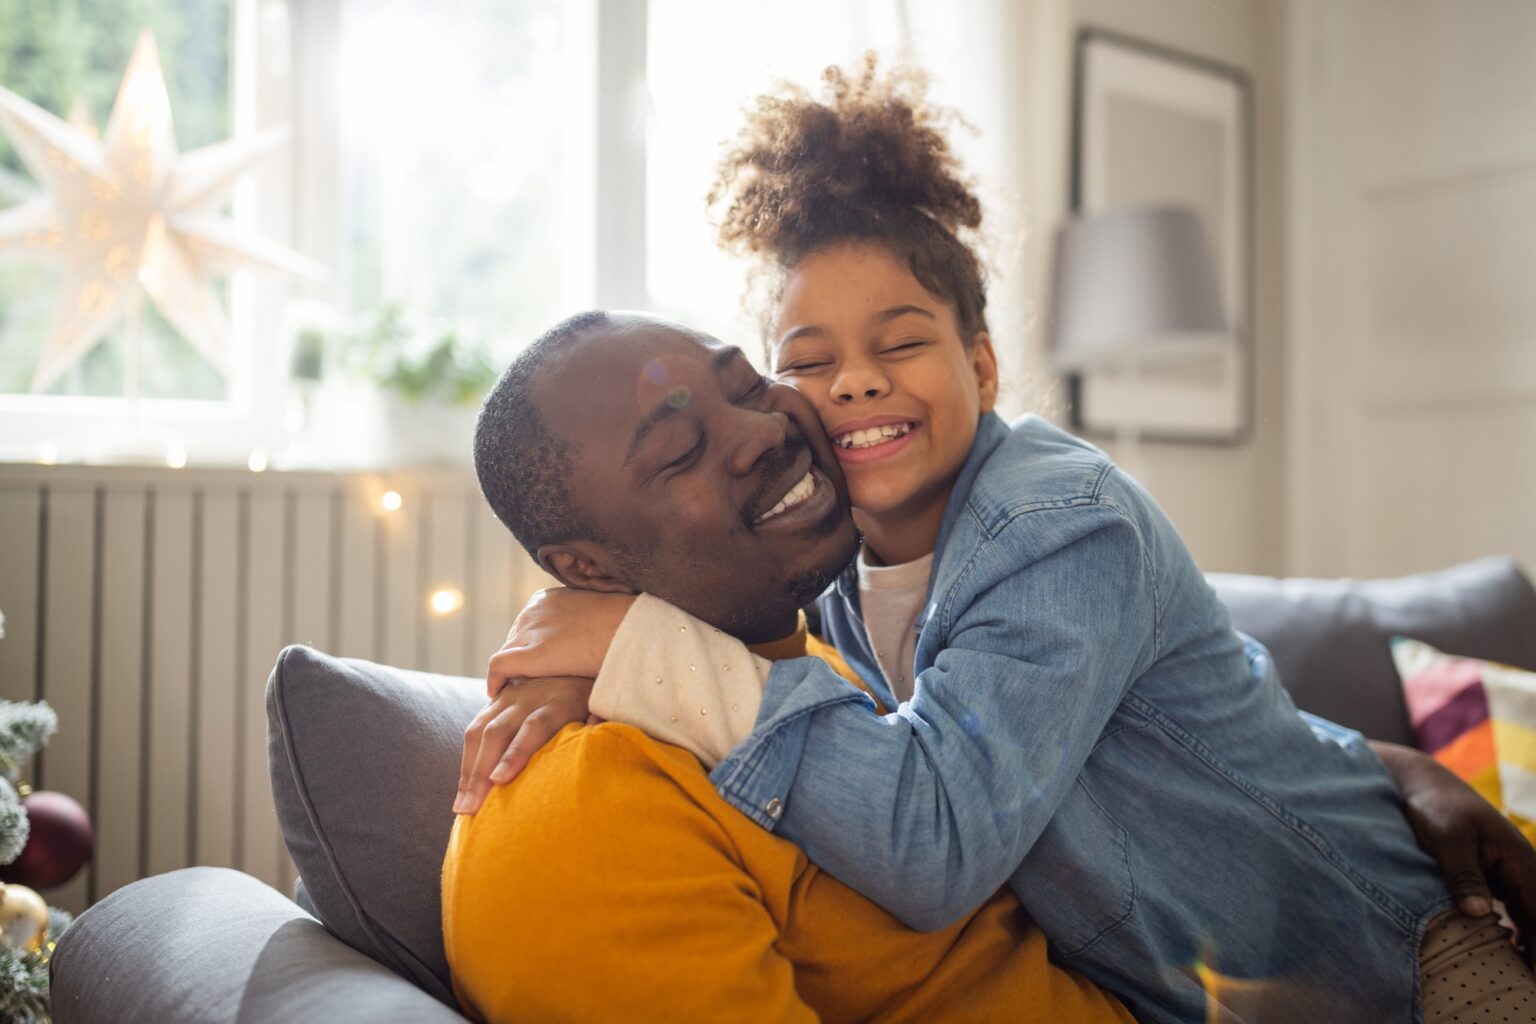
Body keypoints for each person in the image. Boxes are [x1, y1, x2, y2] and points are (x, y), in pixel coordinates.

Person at [462, 61, 1536, 1023]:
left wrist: (642, 650)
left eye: (902, 342)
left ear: (982, 369)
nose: (855, 381)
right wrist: (589, 677)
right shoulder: (830, 581)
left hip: (1405, 963)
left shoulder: (1059, 526)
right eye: (807, 360)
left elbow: (934, 841)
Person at [441, 311, 1135, 1023]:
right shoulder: (581, 826)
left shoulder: (818, 656)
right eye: (681, 451)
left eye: (746, 386)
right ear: (585, 568)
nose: (763, 432)